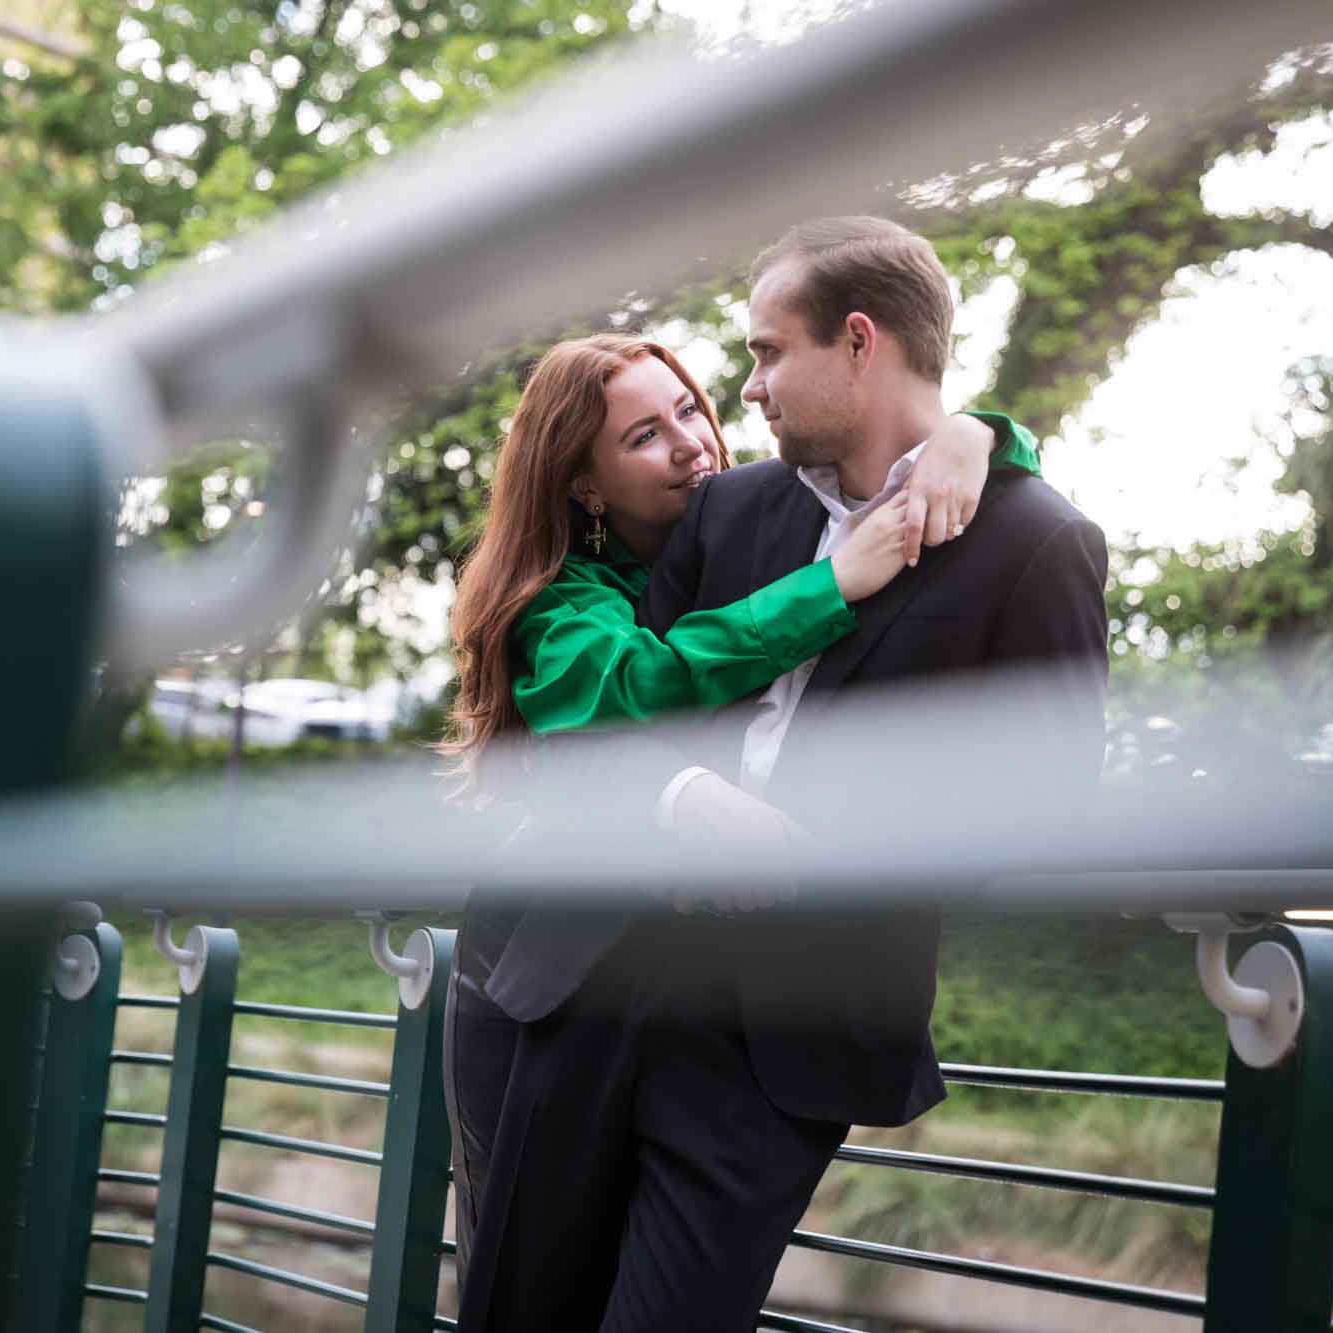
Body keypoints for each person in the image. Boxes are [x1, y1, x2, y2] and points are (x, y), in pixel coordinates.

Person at [441, 218, 1108, 1331]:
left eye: (762, 353)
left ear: (857, 343)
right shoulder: (727, 509)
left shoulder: (1036, 543)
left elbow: (1042, 803)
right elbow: (608, 727)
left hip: (785, 1033)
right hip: (589, 981)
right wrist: (674, 804)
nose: (739, 394)